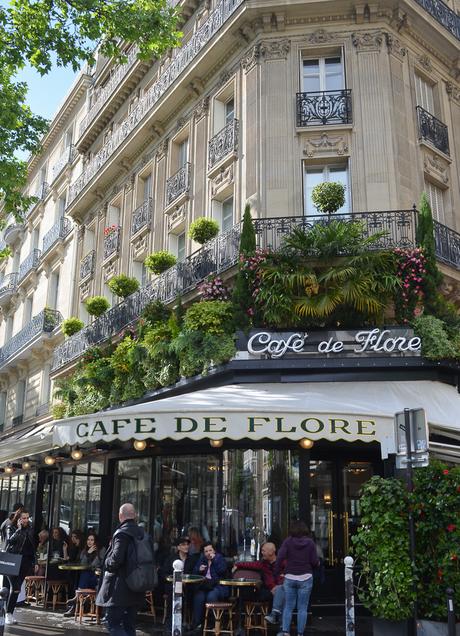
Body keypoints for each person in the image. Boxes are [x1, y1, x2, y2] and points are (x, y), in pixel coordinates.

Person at [96, 503, 148, 636]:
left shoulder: (121, 534)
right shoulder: (143, 534)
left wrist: (106, 561)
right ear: (135, 515)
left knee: (111, 622)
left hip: (120, 588)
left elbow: (115, 560)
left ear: (120, 516)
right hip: (138, 586)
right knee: (129, 624)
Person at [274, 521, 319, 636]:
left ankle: (285, 632)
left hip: (290, 577)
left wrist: (277, 572)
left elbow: (279, 557)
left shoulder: (288, 541)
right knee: (302, 608)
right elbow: (314, 561)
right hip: (306, 577)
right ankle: (300, 633)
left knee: (288, 606)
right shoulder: (310, 543)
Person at [235, 542, 285, 623]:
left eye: (263, 551)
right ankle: (277, 620)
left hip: (281, 589)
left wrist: (277, 587)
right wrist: (237, 564)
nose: (262, 553)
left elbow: (287, 576)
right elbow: (250, 564)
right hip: (268, 591)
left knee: (282, 593)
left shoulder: (283, 563)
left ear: (271, 552)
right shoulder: (263, 563)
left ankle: (278, 621)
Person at [160, 536, 200, 628]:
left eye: (187, 544)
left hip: (188, 587)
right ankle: (171, 623)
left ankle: (190, 623)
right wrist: (174, 580)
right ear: (178, 547)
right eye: (183, 545)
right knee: (173, 593)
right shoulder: (171, 559)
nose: (186, 546)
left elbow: (194, 573)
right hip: (173, 586)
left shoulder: (192, 559)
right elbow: (164, 573)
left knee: (195, 594)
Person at [4, 510, 36, 625]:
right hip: (12, 561)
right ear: (18, 518)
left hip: (25, 562)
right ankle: (8, 613)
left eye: (27, 518)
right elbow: (9, 541)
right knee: (15, 587)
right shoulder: (10, 527)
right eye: (23, 518)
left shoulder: (30, 529)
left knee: (16, 589)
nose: (26, 520)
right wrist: (18, 529)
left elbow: (32, 547)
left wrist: (34, 562)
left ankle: (9, 612)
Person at [191, 542, 229, 632]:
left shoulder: (219, 558)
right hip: (205, 586)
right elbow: (194, 573)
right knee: (198, 597)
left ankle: (216, 623)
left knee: (211, 596)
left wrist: (214, 559)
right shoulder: (202, 559)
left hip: (218, 586)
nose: (208, 553)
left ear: (214, 551)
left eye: (210, 550)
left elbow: (222, 571)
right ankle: (198, 624)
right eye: (206, 551)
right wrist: (198, 570)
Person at [64, 532, 104, 617]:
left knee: (84, 575)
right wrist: (88, 553)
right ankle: (75, 603)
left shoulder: (101, 550)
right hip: (88, 576)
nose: (89, 542)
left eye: (92, 540)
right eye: (88, 540)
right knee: (82, 575)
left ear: (95, 541)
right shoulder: (85, 550)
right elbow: (82, 563)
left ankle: (75, 602)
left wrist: (92, 557)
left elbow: (95, 565)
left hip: (97, 577)